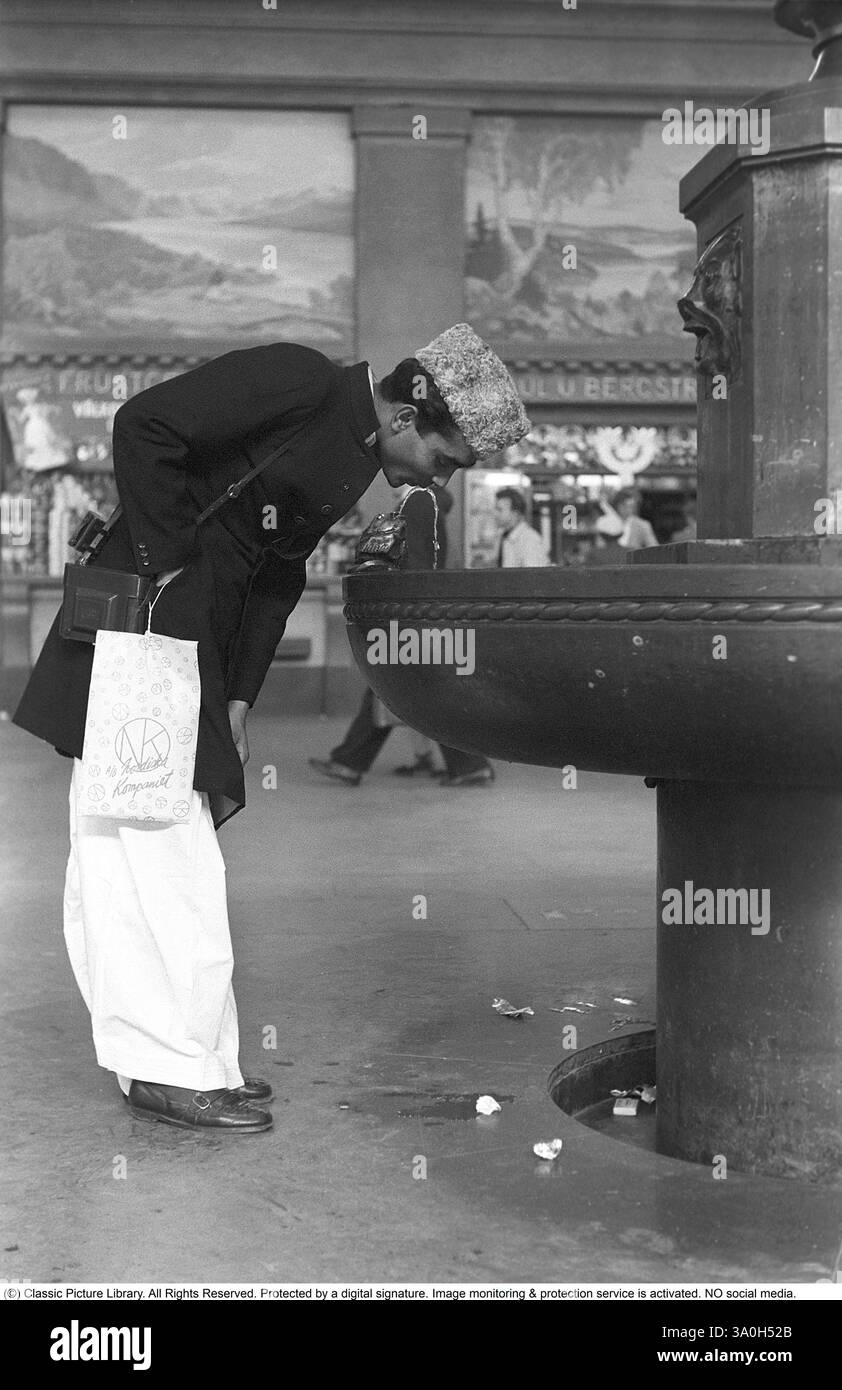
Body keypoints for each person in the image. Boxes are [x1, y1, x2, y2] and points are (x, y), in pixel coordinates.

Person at [13, 323, 530, 1136]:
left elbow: (276, 571)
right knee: (151, 845)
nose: (444, 479)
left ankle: (186, 1061)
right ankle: (170, 1066)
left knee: (141, 846)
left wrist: (241, 699)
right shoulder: (301, 382)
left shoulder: (351, 457)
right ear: (405, 420)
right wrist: (172, 562)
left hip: (190, 651)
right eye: (447, 459)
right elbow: (143, 425)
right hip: (144, 633)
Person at [310, 484, 494, 788]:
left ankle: (350, 762)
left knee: (397, 690)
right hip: (425, 617)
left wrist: (406, 614)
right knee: (411, 692)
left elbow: (417, 565)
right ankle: (467, 765)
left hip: (413, 619)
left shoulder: (419, 501)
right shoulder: (428, 503)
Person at [494, 487, 551, 567]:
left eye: (499, 510)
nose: (495, 514)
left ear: (515, 513)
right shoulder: (503, 535)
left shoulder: (530, 540)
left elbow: (535, 576)